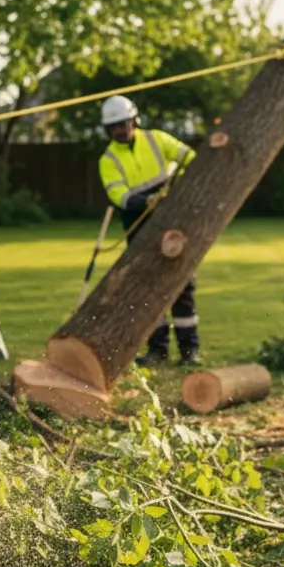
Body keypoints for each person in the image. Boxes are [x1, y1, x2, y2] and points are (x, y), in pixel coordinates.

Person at [96, 94, 201, 367]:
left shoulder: (157, 139)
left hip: (173, 220)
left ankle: (190, 350)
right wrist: (144, 202)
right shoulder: (108, 159)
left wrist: (185, 182)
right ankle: (157, 350)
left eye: (123, 124)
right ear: (108, 130)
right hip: (138, 223)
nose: (120, 130)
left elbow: (190, 157)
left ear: (134, 120)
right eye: (114, 127)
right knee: (148, 287)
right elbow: (117, 193)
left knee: (183, 285)